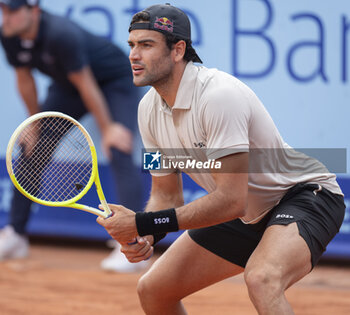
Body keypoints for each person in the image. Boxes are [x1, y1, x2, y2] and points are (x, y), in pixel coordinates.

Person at [96, 3, 346, 314]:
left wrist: (140, 221)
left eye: (146, 45)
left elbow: (231, 201)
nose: (134, 55)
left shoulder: (218, 97)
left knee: (262, 278)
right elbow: (165, 194)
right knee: (154, 288)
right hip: (247, 212)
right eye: (132, 45)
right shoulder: (147, 110)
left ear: (178, 50)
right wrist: (146, 233)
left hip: (305, 196)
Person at [0, 0, 146, 273]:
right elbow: (24, 78)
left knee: (119, 147)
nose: (6, 17)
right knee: (32, 146)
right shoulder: (9, 35)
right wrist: (34, 124)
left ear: (34, 11)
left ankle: (133, 245)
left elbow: (87, 84)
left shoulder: (60, 33)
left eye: (13, 10)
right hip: (68, 86)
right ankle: (16, 235)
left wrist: (107, 129)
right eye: (3, 10)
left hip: (112, 81)